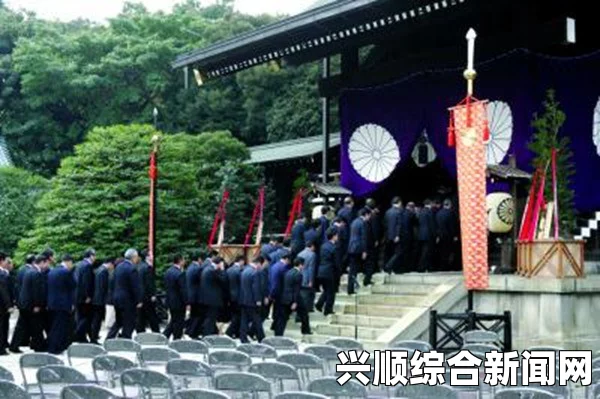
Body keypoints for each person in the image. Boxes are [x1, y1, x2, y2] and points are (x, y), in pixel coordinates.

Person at [107, 249, 142, 339]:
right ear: (133, 257)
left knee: (118, 321)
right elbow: (135, 286)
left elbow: (112, 282)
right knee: (129, 322)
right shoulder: (132, 269)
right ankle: (125, 340)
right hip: (128, 300)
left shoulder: (118, 267)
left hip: (117, 298)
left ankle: (109, 338)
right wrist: (139, 300)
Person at [47, 254, 76, 354]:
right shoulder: (66, 272)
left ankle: (52, 346)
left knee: (54, 326)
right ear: (68, 262)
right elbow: (73, 285)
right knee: (60, 327)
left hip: (52, 303)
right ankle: (56, 348)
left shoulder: (52, 271)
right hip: (63, 303)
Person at [278, 257, 312, 336]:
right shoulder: (298, 274)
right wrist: (295, 302)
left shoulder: (288, 272)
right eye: (303, 265)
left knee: (283, 318)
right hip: (294, 298)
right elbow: (297, 289)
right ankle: (305, 330)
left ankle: (279, 333)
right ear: (300, 265)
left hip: (285, 298)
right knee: (304, 314)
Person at [21, 255, 49, 352]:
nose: (46, 266)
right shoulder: (36, 273)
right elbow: (36, 291)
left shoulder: (29, 271)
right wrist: (37, 305)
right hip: (32, 305)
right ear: (41, 262)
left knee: (32, 326)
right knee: (36, 326)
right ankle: (38, 346)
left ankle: (35, 344)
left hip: (26, 303)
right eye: (46, 263)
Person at [9, 254, 35, 353]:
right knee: (22, 325)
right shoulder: (29, 272)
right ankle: (15, 345)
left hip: (21, 301)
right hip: (27, 302)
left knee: (23, 324)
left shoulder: (21, 270)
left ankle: (22, 342)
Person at [239, 257, 265, 343]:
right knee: (257, 320)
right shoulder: (255, 273)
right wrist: (258, 300)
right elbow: (256, 288)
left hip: (243, 299)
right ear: (258, 263)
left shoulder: (244, 271)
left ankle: (243, 338)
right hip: (252, 301)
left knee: (244, 320)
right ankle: (262, 338)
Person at [163, 254, 188, 340]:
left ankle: (165, 336)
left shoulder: (168, 271)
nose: (185, 262)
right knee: (179, 322)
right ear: (180, 261)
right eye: (184, 259)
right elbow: (183, 290)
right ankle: (176, 339)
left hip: (170, 300)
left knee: (173, 320)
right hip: (179, 302)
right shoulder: (180, 274)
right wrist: (187, 302)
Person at [200, 256, 227, 336]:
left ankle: (210, 333)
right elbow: (223, 280)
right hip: (213, 299)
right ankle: (207, 335)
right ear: (219, 263)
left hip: (206, 298)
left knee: (209, 318)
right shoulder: (213, 271)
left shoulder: (207, 269)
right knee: (211, 318)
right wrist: (222, 269)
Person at [315, 228, 339, 315]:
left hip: (321, 270)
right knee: (331, 292)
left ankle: (319, 304)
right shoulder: (334, 248)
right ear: (333, 236)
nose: (337, 237)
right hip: (330, 271)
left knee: (326, 290)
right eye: (336, 235)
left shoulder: (323, 246)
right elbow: (336, 262)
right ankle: (328, 310)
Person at [74, 248, 96, 343]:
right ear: (90, 256)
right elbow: (87, 282)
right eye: (94, 255)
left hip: (77, 295)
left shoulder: (78, 265)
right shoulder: (87, 266)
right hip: (84, 297)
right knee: (87, 318)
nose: (95, 257)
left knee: (81, 317)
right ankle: (78, 334)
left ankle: (84, 337)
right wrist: (88, 296)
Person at [136, 250, 160, 334]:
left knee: (140, 317)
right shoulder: (148, 267)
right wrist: (152, 294)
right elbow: (149, 283)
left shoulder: (138, 266)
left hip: (140, 296)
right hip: (147, 296)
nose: (152, 256)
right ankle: (156, 333)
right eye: (150, 255)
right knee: (152, 316)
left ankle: (140, 333)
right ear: (147, 257)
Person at [347, 208, 370, 295]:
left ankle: (350, 288)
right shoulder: (363, 223)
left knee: (352, 269)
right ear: (366, 215)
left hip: (351, 247)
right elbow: (364, 238)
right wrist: (364, 250)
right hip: (358, 248)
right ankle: (352, 288)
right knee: (354, 269)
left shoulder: (354, 222)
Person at [91, 258, 114, 344]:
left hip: (96, 298)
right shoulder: (104, 271)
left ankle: (94, 336)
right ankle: (94, 338)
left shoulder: (98, 270)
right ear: (110, 264)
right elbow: (104, 287)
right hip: (100, 299)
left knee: (96, 319)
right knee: (97, 320)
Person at [268, 252, 292, 333]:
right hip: (279, 294)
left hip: (274, 292)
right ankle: (278, 332)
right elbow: (277, 283)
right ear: (287, 259)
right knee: (281, 315)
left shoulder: (274, 266)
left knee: (276, 313)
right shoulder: (283, 268)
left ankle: (274, 327)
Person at [185, 250, 205, 339]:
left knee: (194, 315)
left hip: (191, 295)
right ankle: (193, 332)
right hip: (196, 296)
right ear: (199, 259)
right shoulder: (197, 269)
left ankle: (189, 330)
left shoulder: (190, 267)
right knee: (198, 315)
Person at [436, 199, 459, 271]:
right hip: (449, 235)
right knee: (450, 251)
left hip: (440, 235)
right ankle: (449, 266)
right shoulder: (450, 213)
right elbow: (452, 225)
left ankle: (442, 266)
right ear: (450, 204)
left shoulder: (438, 213)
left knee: (442, 252)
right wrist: (455, 235)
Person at [225, 255, 244, 339]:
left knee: (234, 315)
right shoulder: (239, 271)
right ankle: (230, 332)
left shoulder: (228, 270)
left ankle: (235, 332)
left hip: (230, 295)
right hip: (238, 296)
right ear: (241, 261)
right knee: (238, 315)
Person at [417, 199, 437, 272]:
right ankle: (422, 267)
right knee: (427, 252)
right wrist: (435, 235)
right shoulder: (429, 212)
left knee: (424, 251)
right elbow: (432, 224)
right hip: (428, 234)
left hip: (421, 234)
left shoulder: (421, 211)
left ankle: (427, 267)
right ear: (429, 203)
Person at [296, 241, 316, 312]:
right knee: (308, 294)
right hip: (307, 276)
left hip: (300, 275)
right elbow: (311, 268)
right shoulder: (312, 255)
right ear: (312, 246)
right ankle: (308, 308)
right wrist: (311, 280)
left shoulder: (299, 253)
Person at [0, 253, 14, 355]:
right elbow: (3, 291)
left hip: (3, 304)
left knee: (5, 325)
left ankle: (4, 343)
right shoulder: (1, 274)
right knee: (1, 326)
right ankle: (1, 348)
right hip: (2, 305)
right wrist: (9, 305)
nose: (7, 263)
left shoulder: (4, 273)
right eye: (6, 261)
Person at [384, 197, 403, 266]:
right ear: (399, 202)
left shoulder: (387, 212)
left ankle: (386, 266)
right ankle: (389, 265)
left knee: (389, 252)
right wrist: (397, 235)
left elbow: (385, 224)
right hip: (395, 236)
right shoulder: (398, 212)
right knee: (398, 252)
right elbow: (398, 225)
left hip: (388, 235)